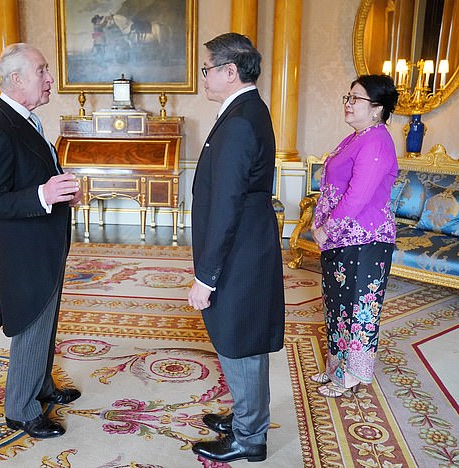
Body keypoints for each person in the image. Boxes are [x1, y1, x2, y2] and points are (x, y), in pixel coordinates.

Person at [0, 43, 82, 439]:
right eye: (42, 71)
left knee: (47, 321)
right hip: (25, 250)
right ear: (17, 80)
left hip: (45, 242)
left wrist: (62, 191)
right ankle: (20, 409)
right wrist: (44, 196)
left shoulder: (25, 119)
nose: (50, 79)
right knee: (32, 322)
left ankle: (42, 387)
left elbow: (36, 173)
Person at [188, 33, 285, 464]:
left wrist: (205, 277)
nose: (203, 77)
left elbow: (226, 203)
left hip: (239, 253)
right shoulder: (245, 111)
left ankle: (250, 437)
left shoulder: (242, 120)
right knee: (239, 337)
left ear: (230, 72)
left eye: (207, 69)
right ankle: (246, 418)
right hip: (245, 245)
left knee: (239, 342)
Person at [310, 74, 399, 398]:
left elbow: (358, 196)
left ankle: (353, 376)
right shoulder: (355, 137)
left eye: (355, 98)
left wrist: (325, 228)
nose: (348, 103)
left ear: (377, 108)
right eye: (347, 97)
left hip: (366, 241)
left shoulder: (376, 141)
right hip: (342, 239)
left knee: (360, 310)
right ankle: (336, 368)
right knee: (337, 307)